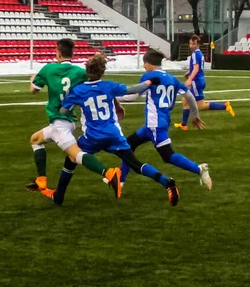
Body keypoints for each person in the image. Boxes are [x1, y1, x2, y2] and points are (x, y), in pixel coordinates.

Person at [45, 53, 180, 206]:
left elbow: (63, 111)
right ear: (102, 71)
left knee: (71, 158)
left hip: (92, 137)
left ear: (86, 71)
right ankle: (167, 182)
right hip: (114, 135)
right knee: (135, 164)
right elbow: (132, 89)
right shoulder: (109, 86)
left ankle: (59, 195)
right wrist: (150, 81)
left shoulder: (79, 91)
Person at [27, 39, 122, 198]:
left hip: (59, 123)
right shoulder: (79, 72)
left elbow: (33, 90)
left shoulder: (48, 69)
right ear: (72, 53)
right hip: (68, 121)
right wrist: (117, 105)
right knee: (35, 139)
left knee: (75, 155)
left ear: (57, 52)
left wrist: (32, 79)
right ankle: (41, 180)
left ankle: (109, 173)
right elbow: (97, 87)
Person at [117, 48, 212, 189]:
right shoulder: (171, 78)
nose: (143, 66)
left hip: (154, 124)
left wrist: (113, 97)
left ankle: (199, 169)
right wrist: (195, 115)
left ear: (149, 63)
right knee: (128, 145)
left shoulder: (149, 77)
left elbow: (133, 96)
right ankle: (120, 180)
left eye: (144, 63)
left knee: (167, 155)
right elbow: (189, 97)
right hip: (159, 123)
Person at [174, 35, 234, 130]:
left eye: (193, 44)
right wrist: (189, 72)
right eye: (190, 43)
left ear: (198, 44)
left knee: (200, 105)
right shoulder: (199, 54)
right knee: (185, 101)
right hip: (199, 80)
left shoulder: (195, 54)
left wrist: (190, 79)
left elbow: (197, 68)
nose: (191, 46)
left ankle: (225, 106)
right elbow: (197, 67)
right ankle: (184, 125)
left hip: (196, 82)